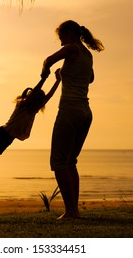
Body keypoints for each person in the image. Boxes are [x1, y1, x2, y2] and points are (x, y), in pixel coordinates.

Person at [41, 20, 104, 219]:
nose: (61, 44)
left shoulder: (72, 48)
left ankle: (70, 211)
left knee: (58, 162)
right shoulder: (87, 54)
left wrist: (45, 72)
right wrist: (66, 74)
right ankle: (73, 211)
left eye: (62, 38)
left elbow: (49, 60)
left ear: (69, 33)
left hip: (70, 110)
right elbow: (90, 78)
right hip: (85, 112)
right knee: (70, 162)